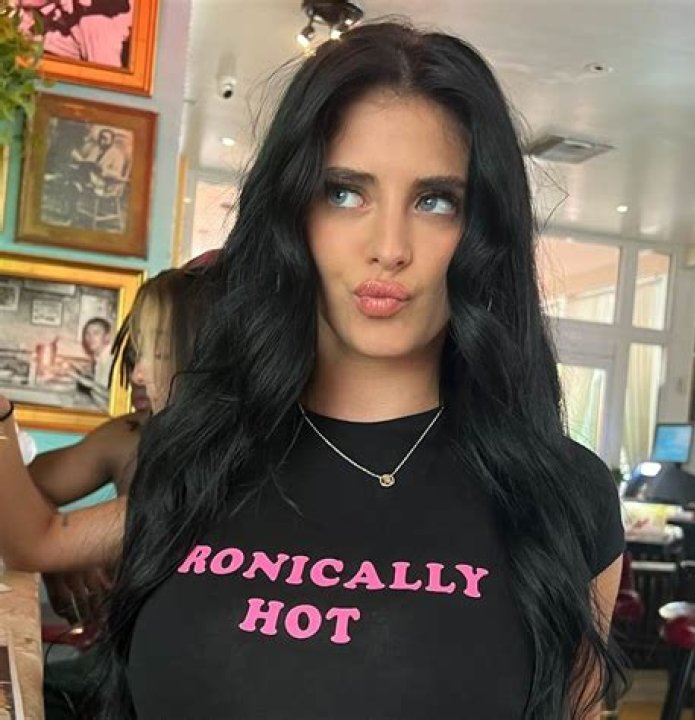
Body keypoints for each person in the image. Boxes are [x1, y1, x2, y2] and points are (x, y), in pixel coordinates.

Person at [87, 21, 626, 720]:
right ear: (292, 213)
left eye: (436, 201)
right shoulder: (191, 454)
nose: (389, 247)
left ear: (482, 233)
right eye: (344, 192)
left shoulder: (562, 497)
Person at [0, 264, 219, 576]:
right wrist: (73, 546)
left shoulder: (219, 483)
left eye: (159, 352)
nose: (137, 375)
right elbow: (28, 507)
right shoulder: (132, 436)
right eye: (136, 353)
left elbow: (35, 547)